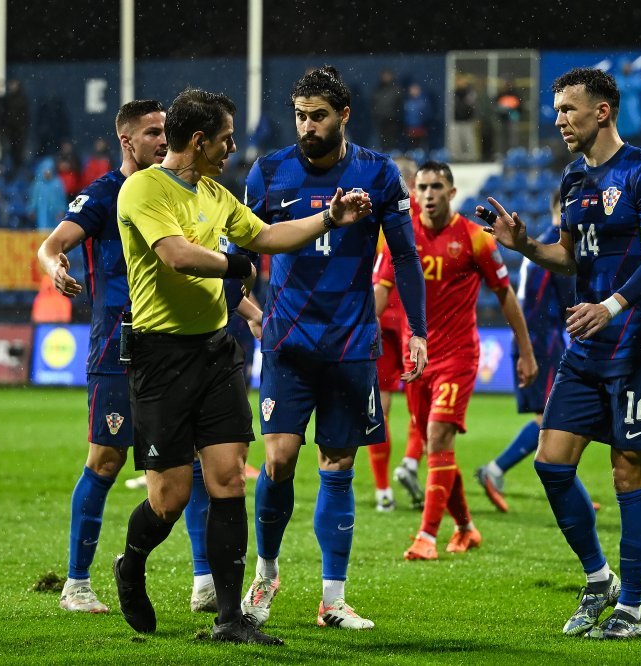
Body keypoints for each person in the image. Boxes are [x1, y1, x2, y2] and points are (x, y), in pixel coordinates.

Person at [112, 86, 373, 644]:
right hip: (160, 356)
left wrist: (328, 219)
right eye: (226, 139)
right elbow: (175, 255)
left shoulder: (215, 192)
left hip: (215, 353)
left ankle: (230, 619)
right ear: (199, 140)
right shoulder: (144, 188)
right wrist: (237, 266)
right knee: (169, 498)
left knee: (229, 480)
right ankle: (130, 564)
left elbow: (267, 235)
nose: (233, 148)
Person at [482, 67, 641, 640]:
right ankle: (599, 579)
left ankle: (631, 610)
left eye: (569, 109)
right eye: (558, 110)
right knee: (551, 463)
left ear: (603, 111)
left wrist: (610, 306)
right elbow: (568, 258)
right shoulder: (572, 180)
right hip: (588, 345)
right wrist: (525, 245)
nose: (560, 120)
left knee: (627, 473)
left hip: (638, 343)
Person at [241, 65, 427, 632]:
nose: (307, 126)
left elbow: (405, 256)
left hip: (349, 343)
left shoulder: (379, 173)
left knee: (338, 464)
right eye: (300, 116)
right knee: (277, 459)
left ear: (343, 115)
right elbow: (240, 252)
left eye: (318, 116)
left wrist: (417, 330)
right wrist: (248, 311)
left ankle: (333, 599)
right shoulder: (268, 173)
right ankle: (266, 575)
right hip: (289, 343)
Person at [38, 100, 227, 616]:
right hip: (117, 350)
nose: (163, 140)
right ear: (126, 140)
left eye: (165, 131)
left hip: (173, 346)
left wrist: (248, 309)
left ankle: (204, 581)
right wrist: (55, 266)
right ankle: (77, 583)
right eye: (152, 133)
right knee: (106, 459)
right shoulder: (103, 195)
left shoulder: (177, 193)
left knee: (192, 458)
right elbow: (52, 244)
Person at [374, 160, 536, 560]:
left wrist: (526, 351)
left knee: (438, 437)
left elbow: (505, 294)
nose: (428, 195)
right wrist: (356, 333)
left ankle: (426, 537)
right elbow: (380, 290)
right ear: (414, 193)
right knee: (437, 446)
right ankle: (465, 527)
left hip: (458, 355)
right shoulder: (398, 237)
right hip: (417, 358)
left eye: (436, 187)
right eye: (422, 188)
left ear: (452, 193)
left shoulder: (475, 239)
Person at [475, 191, 575, 512]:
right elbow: (570, 302)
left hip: (535, 339)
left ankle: (570, 489)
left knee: (558, 416)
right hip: (542, 341)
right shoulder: (558, 248)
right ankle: (495, 469)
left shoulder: (540, 243)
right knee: (553, 417)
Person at [367, 155, 419, 512]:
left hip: (383, 313)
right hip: (411, 321)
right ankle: (409, 465)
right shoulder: (416, 215)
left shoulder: (373, 209)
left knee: (381, 407)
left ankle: (383, 489)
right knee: (421, 407)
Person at [371, 69, 403, 153]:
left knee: (392, 141)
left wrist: (396, 116)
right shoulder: (377, 90)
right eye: (384, 76)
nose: (385, 78)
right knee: (381, 141)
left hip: (392, 120)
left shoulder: (396, 89)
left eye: (387, 75)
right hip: (380, 119)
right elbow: (373, 103)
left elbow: (400, 105)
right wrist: (375, 114)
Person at [613, 60, 641, 140]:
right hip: (621, 106)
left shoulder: (635, 78)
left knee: (634, 123)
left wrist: (626, 87)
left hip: (632, 105)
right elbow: (619, 88)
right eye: (625, 67)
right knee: (622, 126)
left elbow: (639, 86)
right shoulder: (618, 78)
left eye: (628, 66)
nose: (627, 68)